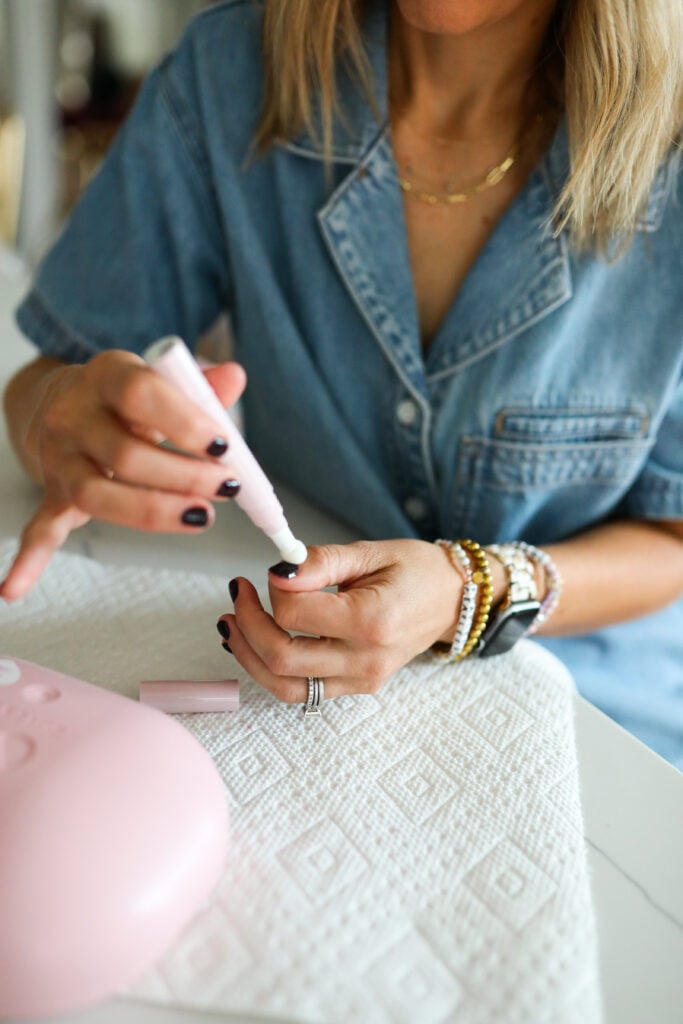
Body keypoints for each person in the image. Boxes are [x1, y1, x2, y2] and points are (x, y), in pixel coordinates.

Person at [3, 0, 683, 762]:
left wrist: (473, 590)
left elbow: (672, 536)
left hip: (604, 718)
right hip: (304, 717)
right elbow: (55, 378)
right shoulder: (231, 75)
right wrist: (57, 422)